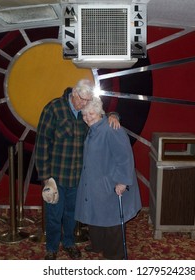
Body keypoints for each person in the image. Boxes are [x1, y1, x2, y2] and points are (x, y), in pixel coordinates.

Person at [34, 79, 120, 260]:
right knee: (54, 215)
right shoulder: (53, 109)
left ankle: (69, 243)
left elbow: (100, 116)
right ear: (73, 93)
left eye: (87, 100)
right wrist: (45, 177)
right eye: (81, 99)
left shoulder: (86, 111)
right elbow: (42, 144)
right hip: (56, 176)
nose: (83, 104)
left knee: (73, 215)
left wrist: (114, 115)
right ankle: (51, 248)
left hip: (79, 177)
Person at [75, 96, 142, 260]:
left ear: (99, 113)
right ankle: (99, 245)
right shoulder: (94, 127)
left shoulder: (112, 128)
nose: (87, 117)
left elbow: (125, 157)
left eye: (91, 114)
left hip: (111, 183)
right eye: (84, 115)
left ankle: (115, 256)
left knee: (111, 221)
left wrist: (123, 182)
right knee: (96, 215)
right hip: (95, 182)